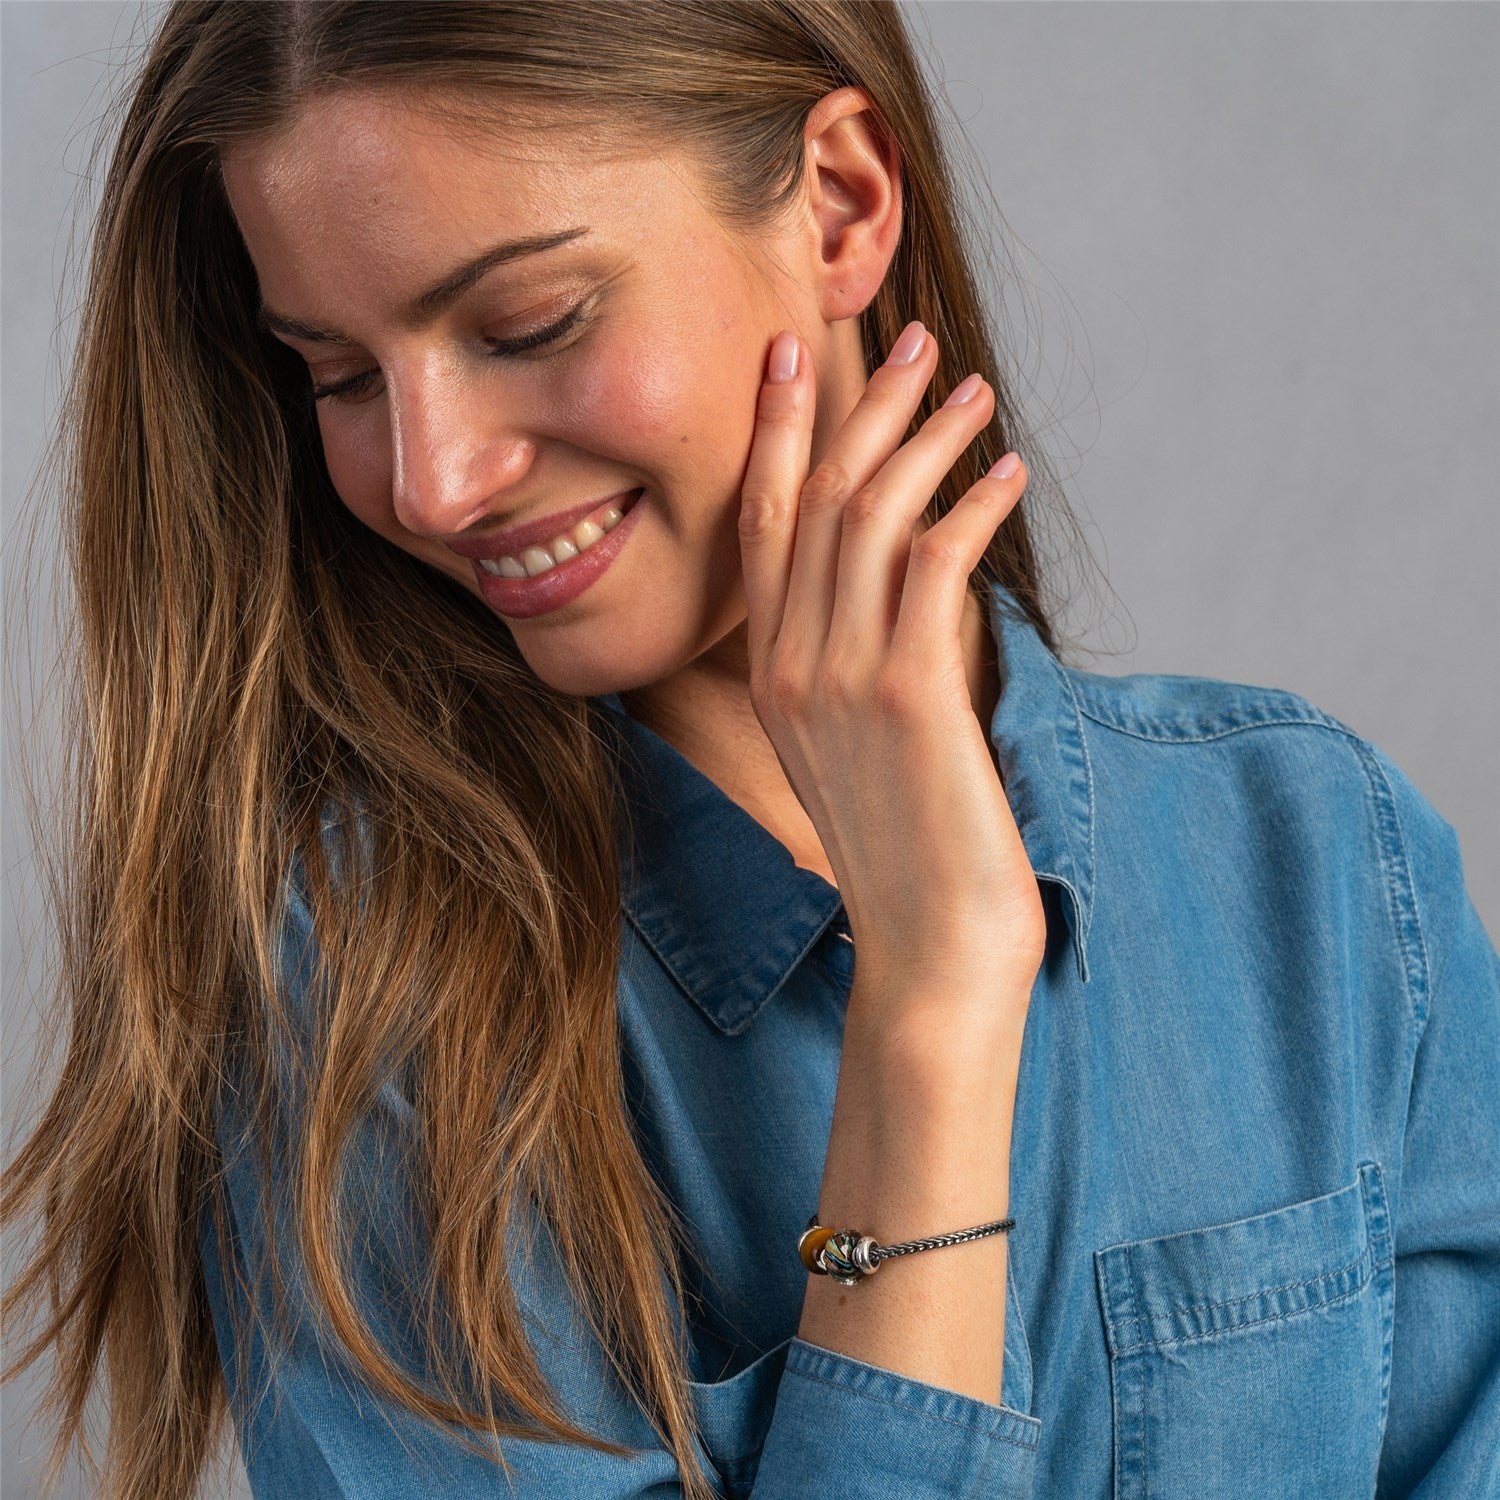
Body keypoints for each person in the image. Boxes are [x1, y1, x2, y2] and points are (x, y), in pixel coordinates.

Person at [4, 3, 1497, 1498]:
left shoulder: (1323, 859)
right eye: (339, 376)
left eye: (529, 324)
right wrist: (932, 1005)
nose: (433, 481)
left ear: (841, 204)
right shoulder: (364, 1007)